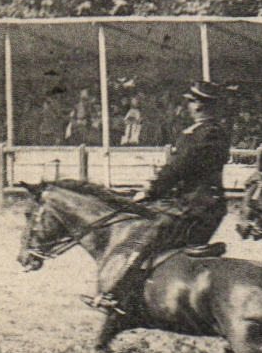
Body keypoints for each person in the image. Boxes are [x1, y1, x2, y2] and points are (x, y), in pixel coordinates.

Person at [87, 82, 231, 318]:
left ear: (204, 106)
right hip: (193, 202)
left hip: (196, 206)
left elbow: (182, 167)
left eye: (194, 102)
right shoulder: (202, 131)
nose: (190, 106)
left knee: (148, 233)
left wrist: (152, 189)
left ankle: (114, 293)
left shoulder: (208, 133)